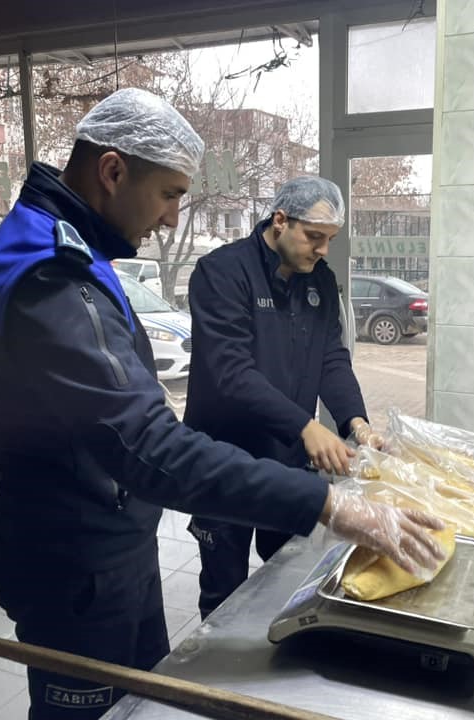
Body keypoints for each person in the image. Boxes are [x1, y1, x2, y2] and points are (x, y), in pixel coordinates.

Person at [0, 88, 445, 720]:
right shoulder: (52, 276)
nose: (169, 219)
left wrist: (351, 422)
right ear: (112, 171)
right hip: (73, 559)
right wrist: (329, 503)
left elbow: (326, 359)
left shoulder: (71, 248)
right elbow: (149, 444)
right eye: (168, 194)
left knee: (147, 699)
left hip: (113, 540)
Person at [184, 176, 385, 619]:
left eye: (330, 240)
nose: (322, 250)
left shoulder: (320, 283)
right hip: (224, 460)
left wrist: (356, 422)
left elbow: (332, 357)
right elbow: (231, 373)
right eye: (315, 237)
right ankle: (214, 678)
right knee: (224, 592)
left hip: (288, 459)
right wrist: (305, 425)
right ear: (280, 221)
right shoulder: (222, 273)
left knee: (292, 574)